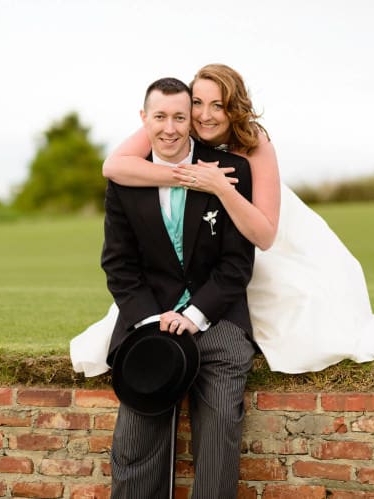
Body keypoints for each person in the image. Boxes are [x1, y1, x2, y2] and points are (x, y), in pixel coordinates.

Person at [71, 63, 374, 375]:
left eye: (218, 105)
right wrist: (191, 177)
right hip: (210, 236)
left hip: (260, 230)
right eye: (197, 103)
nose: (203, 115)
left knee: (302, 309)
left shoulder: (256, 142)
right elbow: (113, 167)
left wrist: (220, 188)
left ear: (234, 109)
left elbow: (265, 236)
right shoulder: (176, 122)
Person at [103, 77, 256, 498]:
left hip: (218, 320)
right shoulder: (124, 180)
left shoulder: (229, 172)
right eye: (160, 117)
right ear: (143, 119)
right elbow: (118, 264)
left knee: (221, 430)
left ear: (191, 120)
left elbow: (236, 264)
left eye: (179, 117)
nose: (169, 128)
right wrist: (154, 323)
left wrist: (193, 316)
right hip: (148, 320)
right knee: (135, 441)